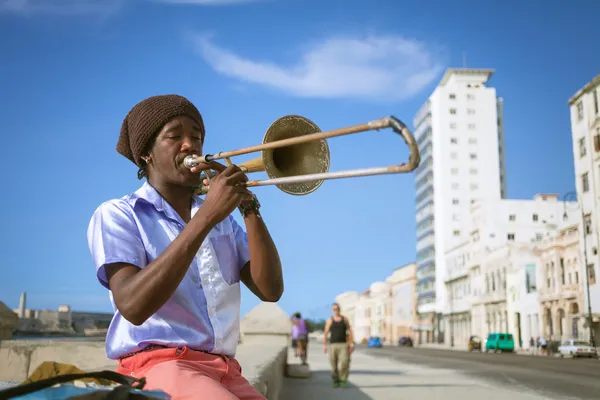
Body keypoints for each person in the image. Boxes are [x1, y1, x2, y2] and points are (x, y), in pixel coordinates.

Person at [87, 94, 284, 400]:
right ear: (146, 154)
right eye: (175, 136)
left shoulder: (222, 221)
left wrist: (249, 209)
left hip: (225, 370)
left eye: (197, 136)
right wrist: (206, 216)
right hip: (159, 366)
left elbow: (270, 291)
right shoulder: (119, 214)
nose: (190, 145)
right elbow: (133, 306)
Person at [323, 303, 354, 388]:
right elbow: (325, 333)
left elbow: (350, 331)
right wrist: (324, 345)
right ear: (332, 310)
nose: (336, 310)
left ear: (340, 309)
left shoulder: (345, 319)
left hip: (344, 345)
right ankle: (335, 380)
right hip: (333, 345)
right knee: (333, 364)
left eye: (337, 309)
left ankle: (343, 379)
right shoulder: (330, 320)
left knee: (345, 362)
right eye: (334, 309)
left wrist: (351, 343)